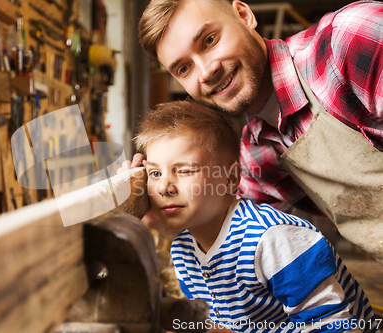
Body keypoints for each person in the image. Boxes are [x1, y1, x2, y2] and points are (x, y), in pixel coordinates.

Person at [131, 0, 383, 262]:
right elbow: (234, 249)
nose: (206, 72)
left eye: (209, 41)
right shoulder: (256, 155)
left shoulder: (348, 41)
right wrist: (157, 214)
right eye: (184, 68)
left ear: (244, 15)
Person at [134, 100, 377, 333]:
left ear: (230, 179)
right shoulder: (183, 249)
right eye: (155, 173)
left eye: (185, 170)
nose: (164, 187)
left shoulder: (274, 241)